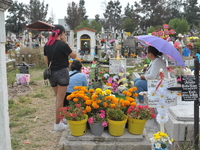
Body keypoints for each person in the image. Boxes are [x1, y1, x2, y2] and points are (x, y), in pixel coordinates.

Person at [44, 24, 76, 131]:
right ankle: (57, 125)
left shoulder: (47, 45)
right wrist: (65, 43)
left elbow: (46, 61)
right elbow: (74, 56)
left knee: (58, 99)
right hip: (62, 73)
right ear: (62, 33)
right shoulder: (63, 45)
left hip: (51, 74)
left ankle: (61, 119)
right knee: (60, 99)